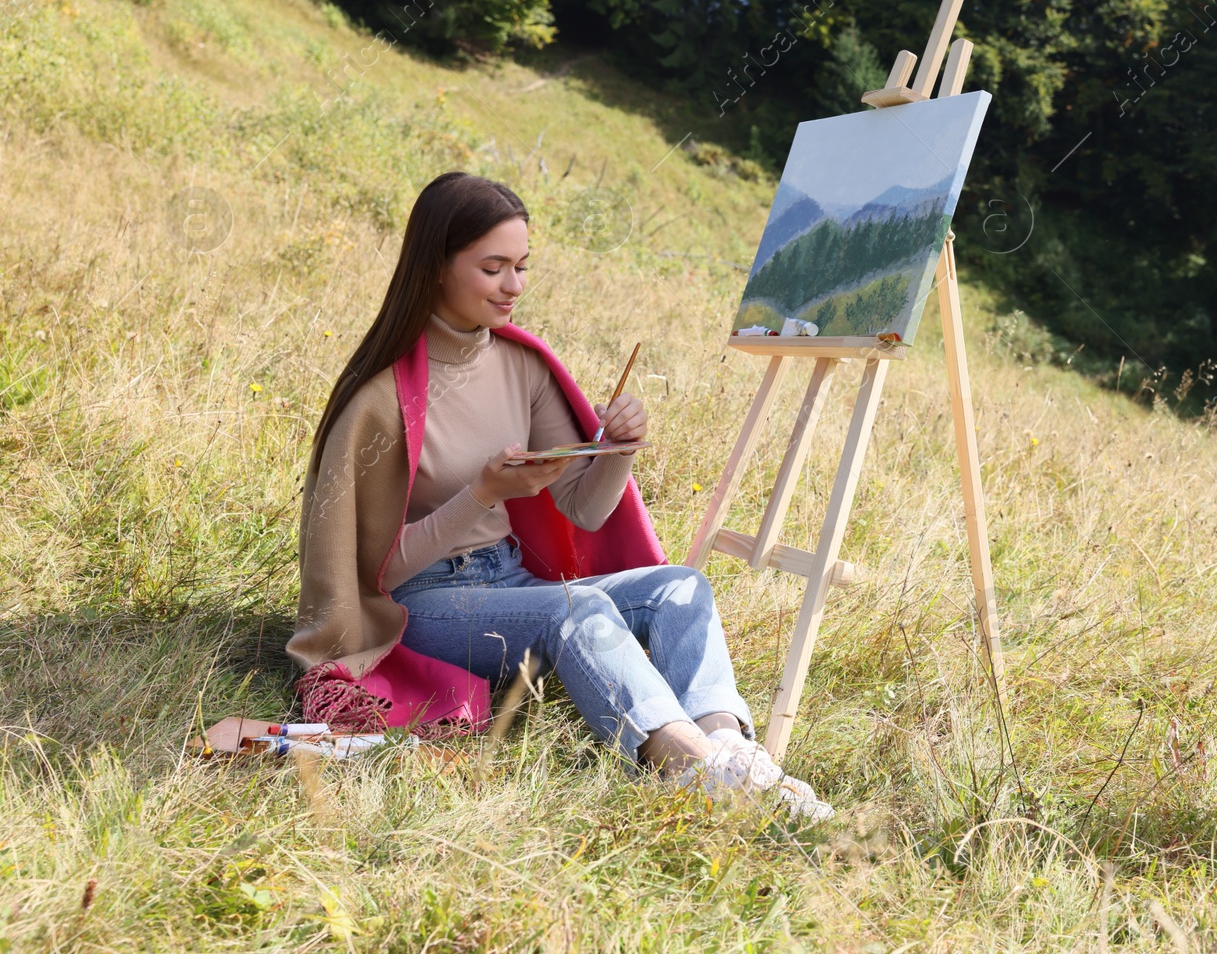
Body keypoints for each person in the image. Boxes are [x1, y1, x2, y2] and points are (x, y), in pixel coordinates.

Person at [289, 171, 833, 822]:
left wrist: (618, 448)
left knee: (681, 587)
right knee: (574, 612)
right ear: (436, 266)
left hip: (511, 581)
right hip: (426, 603)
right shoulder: (378, 399)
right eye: (493, 268)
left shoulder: (523, 365)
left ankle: (730, 750)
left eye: (521, 266)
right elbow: (374, 574)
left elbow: (584, 508)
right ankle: (688, 770)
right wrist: (479, 494)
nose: (514, 286)